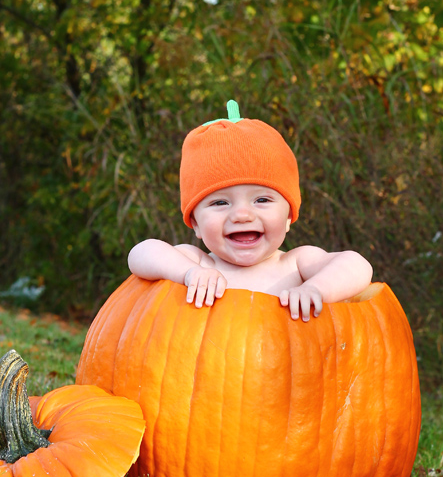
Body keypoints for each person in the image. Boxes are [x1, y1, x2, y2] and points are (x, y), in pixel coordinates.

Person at [128, 101, 373, 321]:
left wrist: (316, 289)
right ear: (196, 224)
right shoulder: (199, 263)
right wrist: (189, 273)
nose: (242, 215)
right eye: (220, 203)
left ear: (288, 216)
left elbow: (357, 265)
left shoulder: (296, 265)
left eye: (262, 200)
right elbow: (141, 253)